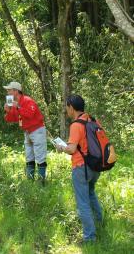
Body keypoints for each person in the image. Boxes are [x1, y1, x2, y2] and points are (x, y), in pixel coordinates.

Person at [54, 95, 103, 243]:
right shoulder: (94, 121)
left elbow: (72, 149)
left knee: (83, 202)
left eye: (66, 107)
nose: (66, 110)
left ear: (71, 107)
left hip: (81, 168)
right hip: (96, 167)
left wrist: (61, 147)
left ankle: (89, 237)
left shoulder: (76, 125)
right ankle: (100, 224)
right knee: (91, 194)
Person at [3, 81, 47, 181]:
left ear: (15, 91)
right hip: (27, 132)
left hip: (37, 130)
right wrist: (8, 111)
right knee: (29, 156)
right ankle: (30, 180)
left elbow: (30, 114)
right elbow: (11, 119)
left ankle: (41, 182)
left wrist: (18, 107)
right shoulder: (14, 104)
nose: (7, 92)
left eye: (9, 90)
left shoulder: (28, 100)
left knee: (40, 156)